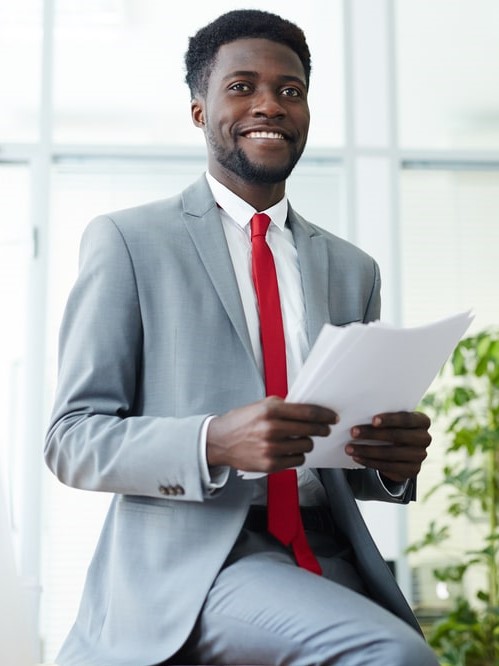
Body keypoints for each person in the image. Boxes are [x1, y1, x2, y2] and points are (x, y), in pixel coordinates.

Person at [45, 9, 438, 666]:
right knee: (391, 656)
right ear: (199, 110)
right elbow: (72, 440)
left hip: (330, 550)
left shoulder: (350, 268)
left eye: (290, 90)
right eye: (241, 87)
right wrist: (212, 441)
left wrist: (387, 462)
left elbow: (341, 450)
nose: (270, 105)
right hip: (203, 560)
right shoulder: (130, 242)